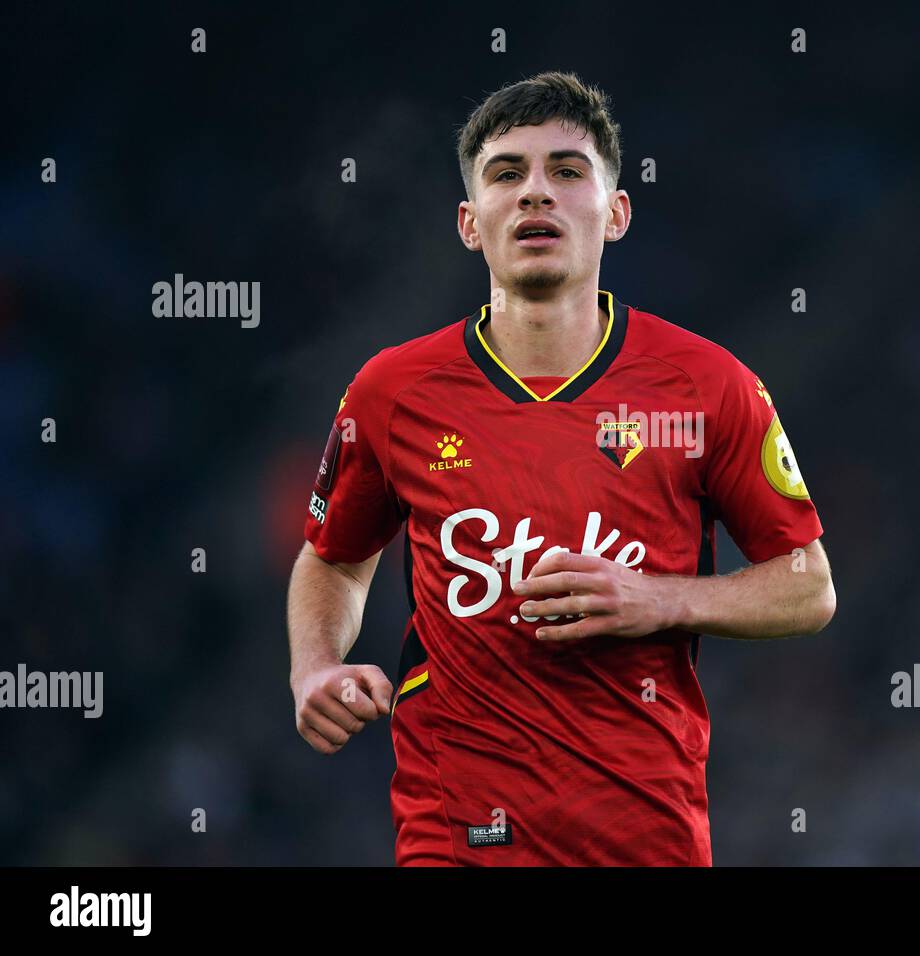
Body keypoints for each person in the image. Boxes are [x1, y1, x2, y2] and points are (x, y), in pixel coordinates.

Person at [286, 71, 835, 865]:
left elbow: (809, 586)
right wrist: (314, 668)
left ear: (615, 214)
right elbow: (333, 559)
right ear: (472, 224)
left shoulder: (707, 385)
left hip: (645, 831)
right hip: (460, 828)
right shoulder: (393, 392)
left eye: (566, 171)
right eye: (507, 174)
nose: (535, 193)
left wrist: (658, 597)